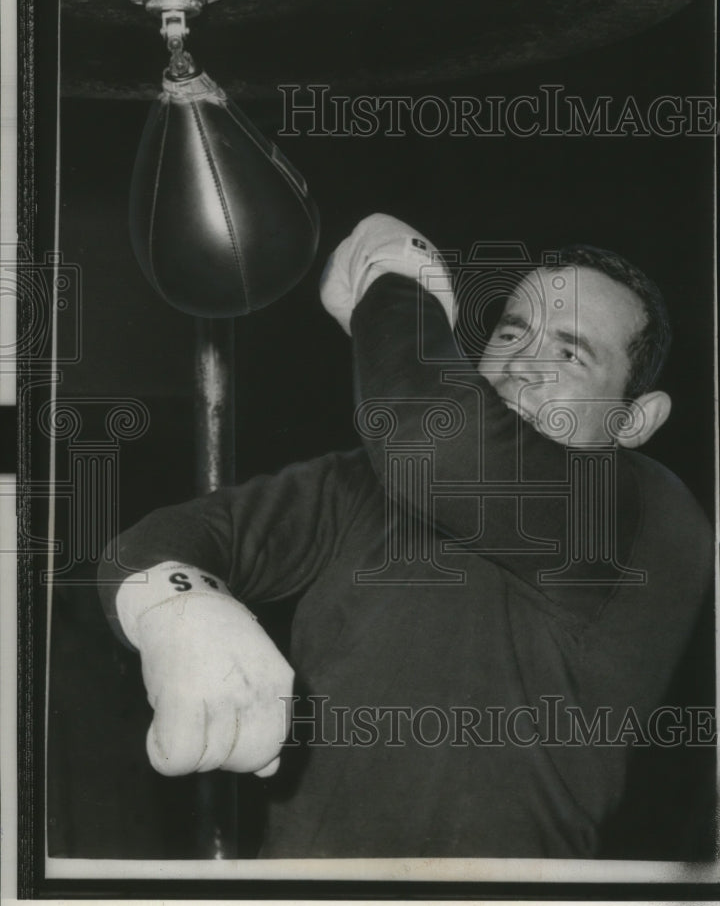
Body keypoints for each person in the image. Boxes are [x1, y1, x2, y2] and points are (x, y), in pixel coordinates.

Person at [98, 214, 713, 858]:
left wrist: (396, 272)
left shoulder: (645, 511)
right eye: (511, 330)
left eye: (568, 353)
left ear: (637, 419)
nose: (522, 365)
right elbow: (170, 536)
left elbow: (430, 433)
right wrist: (177, 604)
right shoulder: (369, 485)